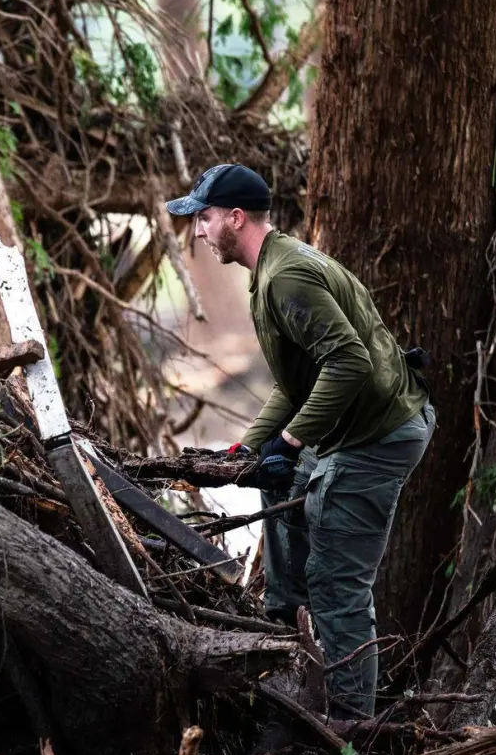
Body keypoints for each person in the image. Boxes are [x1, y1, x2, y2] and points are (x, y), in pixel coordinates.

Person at [166, 164, 435, 717]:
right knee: (279, 482)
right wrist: (251, 449)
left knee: (338, 586)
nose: (197, 230)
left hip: (377, 437)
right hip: (354, 426)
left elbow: (349, 364)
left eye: (205, 217)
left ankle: (347, 730)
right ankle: (285, 625)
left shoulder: (286, 277)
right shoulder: (272, 269)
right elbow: (298, 386)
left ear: (235, 219)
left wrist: (288, 444)